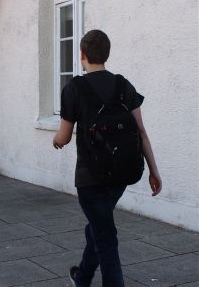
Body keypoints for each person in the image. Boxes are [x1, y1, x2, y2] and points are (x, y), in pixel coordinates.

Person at [53, 29, 162, 287]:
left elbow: (64, 136)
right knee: (98, 229)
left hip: (90, 178)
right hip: (121, 174)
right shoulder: (124, 85)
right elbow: (142, 133)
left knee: (105, 237)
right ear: (107, 54)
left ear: (82, 54)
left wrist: (56, 140)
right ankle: (82, 278)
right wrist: (154, 171)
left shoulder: (74, 88)